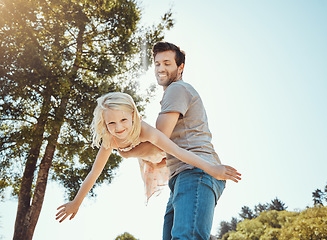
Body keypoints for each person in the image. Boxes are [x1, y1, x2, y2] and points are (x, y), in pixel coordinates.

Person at [55, 92, 241, 223]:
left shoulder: (145, 130)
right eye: (111, 123)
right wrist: (76, 202)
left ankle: (163, 164)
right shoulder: (109, 139)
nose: (118, 128)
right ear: (104, 123)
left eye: (123, 120)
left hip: (160, 152)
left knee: (156, 153)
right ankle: (154, 163)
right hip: (147, 161)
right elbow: (95, 172)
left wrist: (212, 168)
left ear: (134, 116)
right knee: (136, 157)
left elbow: (178, 151)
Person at [118, 41, 241, 240]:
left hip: (195, 173)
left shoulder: (177, 89)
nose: (161, 68)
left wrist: (127, 152)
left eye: (167, 63)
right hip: (182, 177)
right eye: (157, 64)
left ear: (180, 67)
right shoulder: (173, 94)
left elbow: (159, 142)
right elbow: (168, 146)